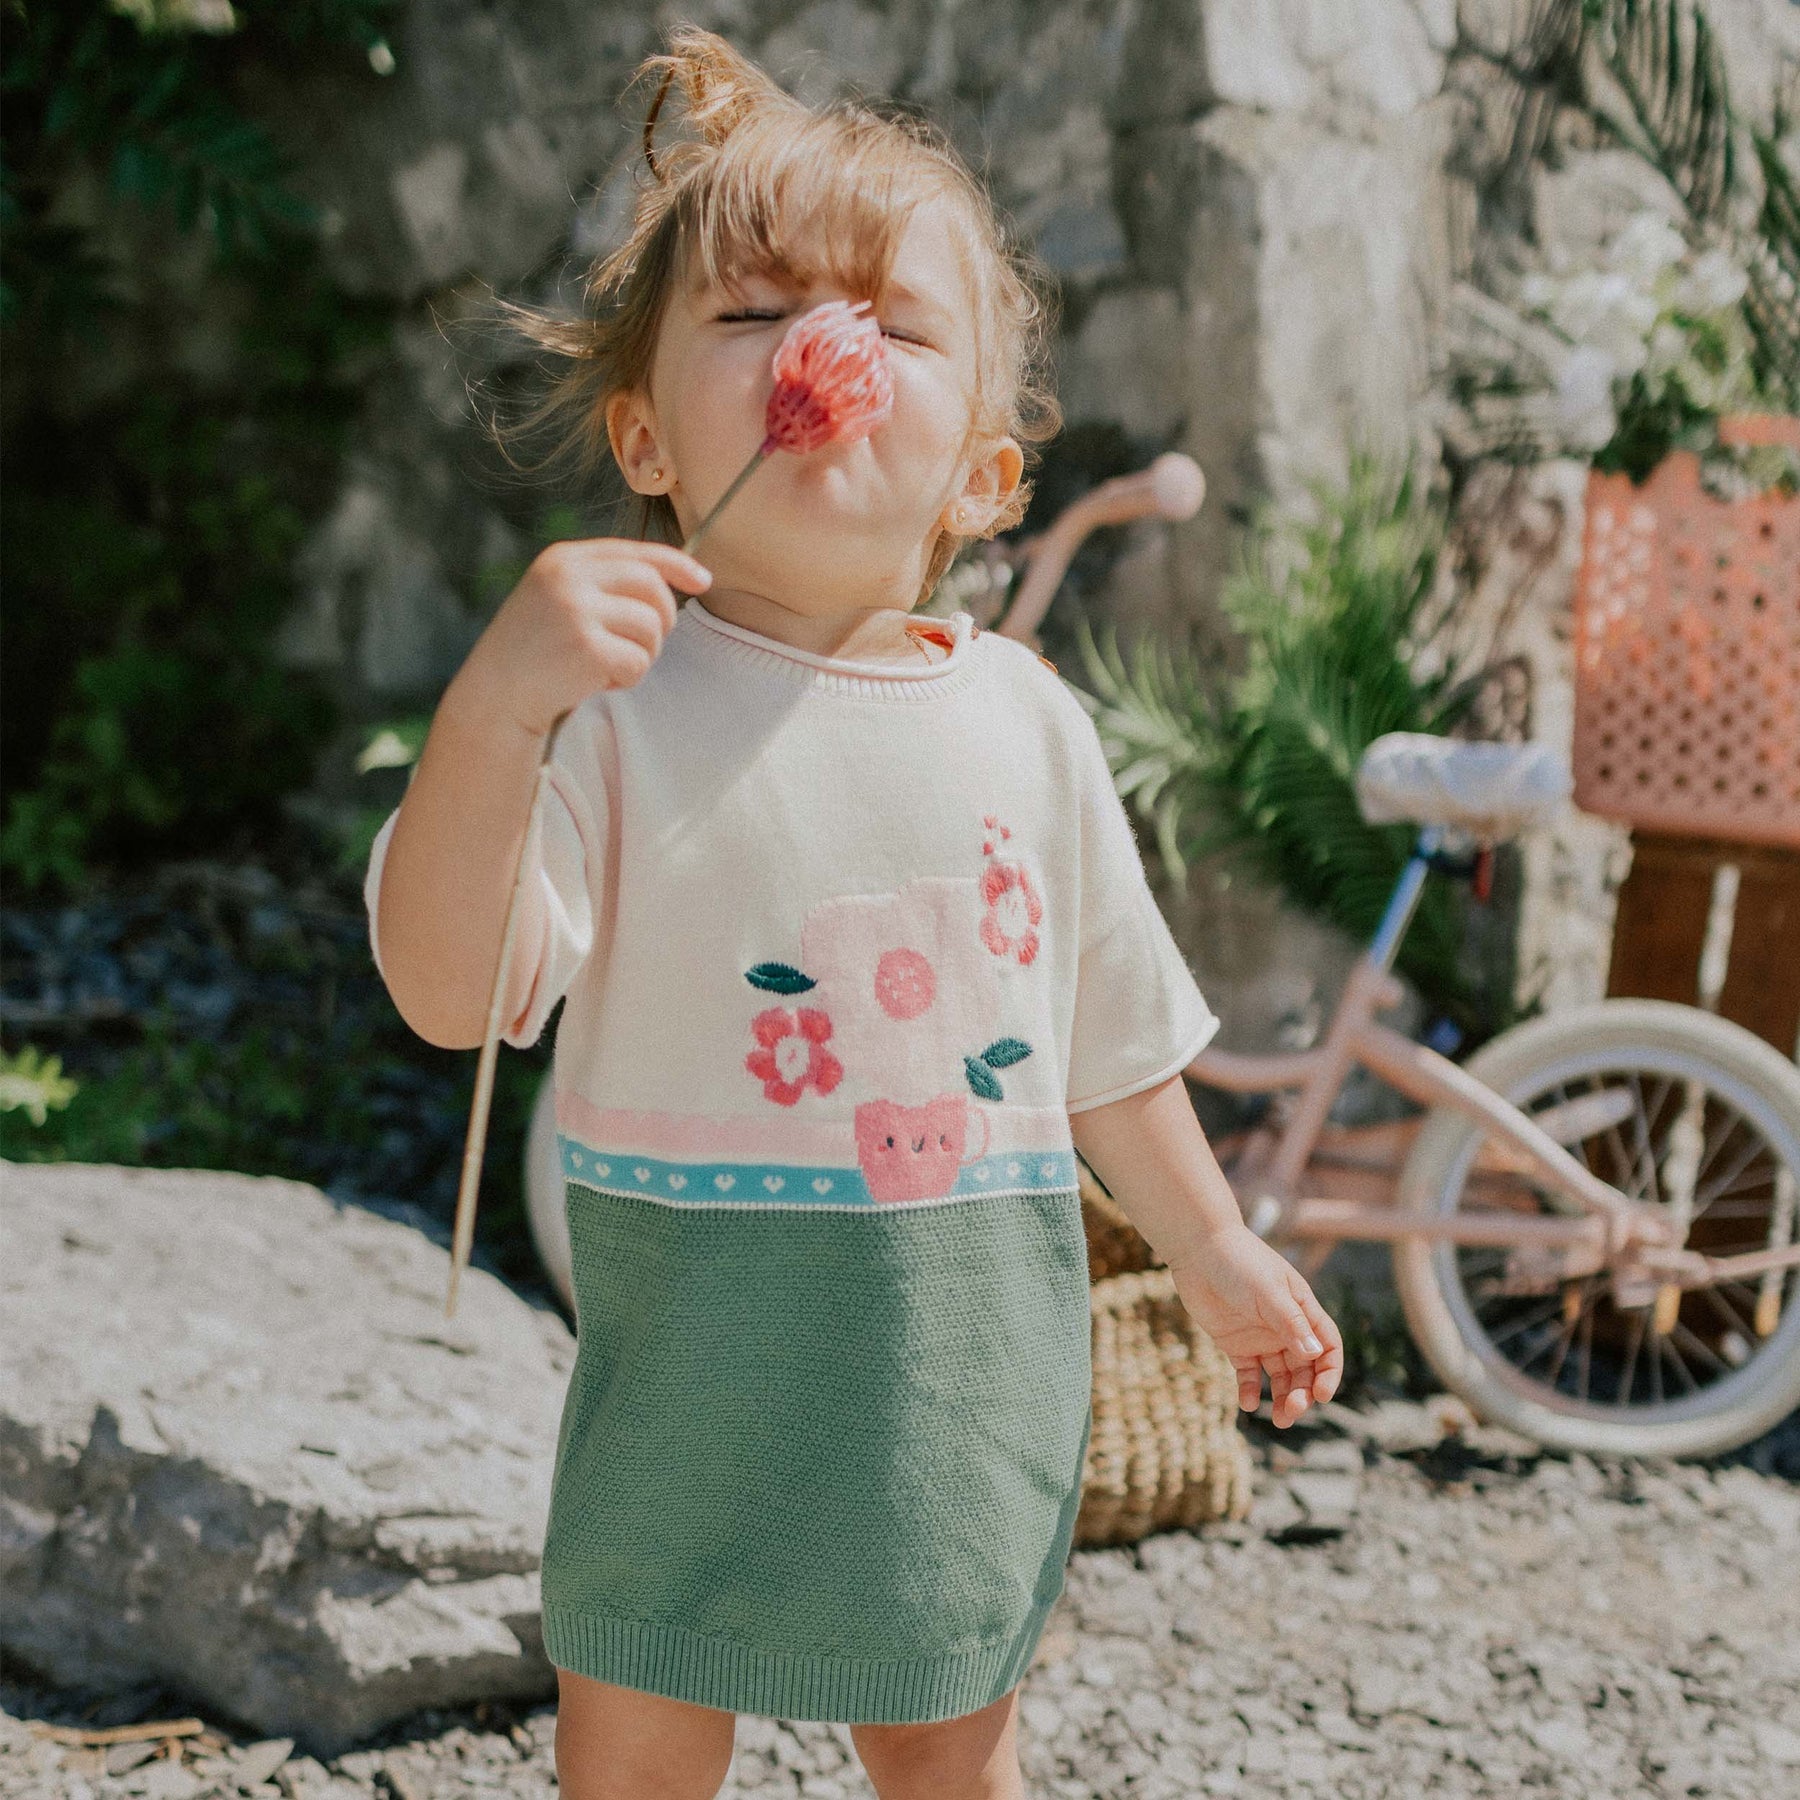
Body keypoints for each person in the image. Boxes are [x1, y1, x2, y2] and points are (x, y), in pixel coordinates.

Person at [363, 24, 1343, 1800]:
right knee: (644, 1725)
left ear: (978, 473)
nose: (826, 348)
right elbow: (447, 990)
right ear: (647, 432)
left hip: (957, 1355)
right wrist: (493, 711)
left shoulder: (1025, 721)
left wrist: (1214, 1253)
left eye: (896, 326)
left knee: (950, 1747)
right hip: (693, 1369)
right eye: (751, 315)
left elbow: (1106, 1042)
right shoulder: (610, 714)